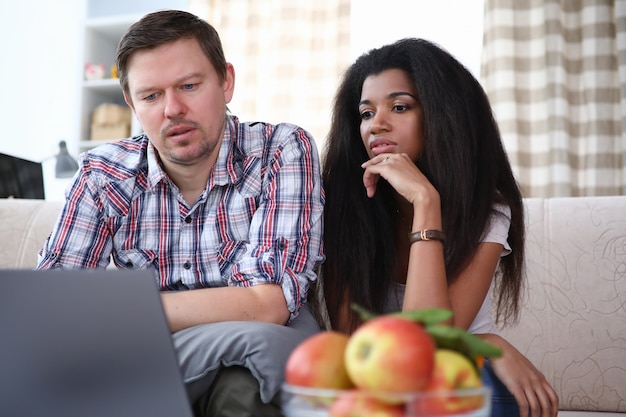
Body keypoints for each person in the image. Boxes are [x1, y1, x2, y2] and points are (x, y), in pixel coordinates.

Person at [36, 10, 324, 417]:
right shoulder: (103, 173)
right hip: (151, 349)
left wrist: (117, 312)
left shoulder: (281, 149)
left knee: (250, 375)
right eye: (151, 96)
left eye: (189, 85)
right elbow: (52, 307)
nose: (172, 109)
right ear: (131, 102)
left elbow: (267, 305)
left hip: (257, 345)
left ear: (226, 81)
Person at [316, 38, 559, 417]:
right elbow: (354, 348)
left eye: (399, 107)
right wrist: (488, 341)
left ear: (443, 115)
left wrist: (426, 203)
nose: (376, 124)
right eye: (365, 113)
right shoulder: (345, 209)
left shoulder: (487, 210)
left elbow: (429, 346)